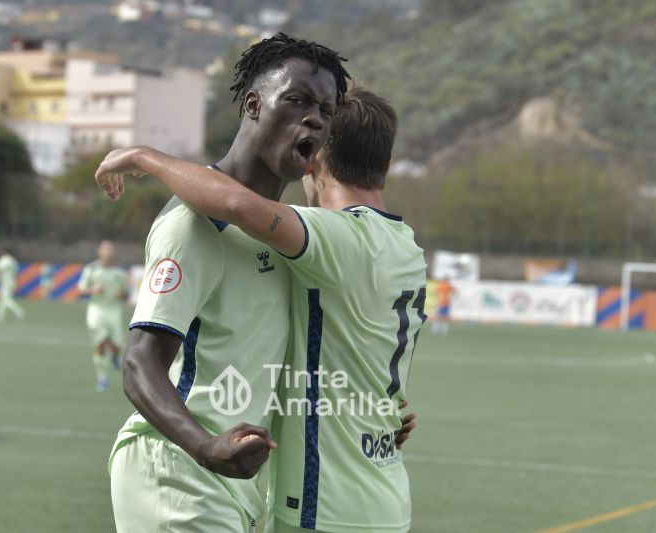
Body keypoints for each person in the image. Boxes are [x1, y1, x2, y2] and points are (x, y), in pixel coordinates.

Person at [96, 87, 426, 533]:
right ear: (386, 165)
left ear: (314, 160)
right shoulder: (408, 248)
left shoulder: (333, 236)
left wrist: (142, 157)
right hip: (386, 497)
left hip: (324, 504)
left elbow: (234, 202)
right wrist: (382, 413)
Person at [102, 33, 350, 533]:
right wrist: (205, 446)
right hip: (176, 470)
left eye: (326, 109)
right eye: (298, 100)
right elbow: (138, 364)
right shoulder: (192, 226)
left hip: (236, 481)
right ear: (254, 105)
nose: (315, 119)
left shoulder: (287, 231)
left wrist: (371, 413)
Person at [77, 241, 129, 391]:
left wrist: (122, 294)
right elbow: (81, 290)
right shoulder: (91, 269)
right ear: (99, 253)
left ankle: (114, 355)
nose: (108, 252)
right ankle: (102, 379)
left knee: (117, 346)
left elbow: (126, 294)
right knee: (100, 344)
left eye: (111, 249)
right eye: (105, 249)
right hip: (96, 310)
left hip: (114, 311)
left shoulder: (121, 272)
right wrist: (93, 289)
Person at [0, 248, 24, 321]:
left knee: (5, 299)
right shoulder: (13, 261)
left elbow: (0, 270)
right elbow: (17, 273)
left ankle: (19, 311)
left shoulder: (3, 260)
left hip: (5, 282)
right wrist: (16, 282)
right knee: (2, 299)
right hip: (12, 281)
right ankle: (0, 316)